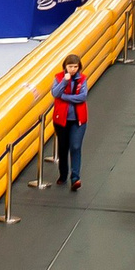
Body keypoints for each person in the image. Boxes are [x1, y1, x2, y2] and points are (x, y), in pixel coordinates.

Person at [50, 53, 91, 191]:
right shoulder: (58, 78)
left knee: (75, 146)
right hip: (61, 120)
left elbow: (83, 97)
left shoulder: (83, 79)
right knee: (63, 148)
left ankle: (75, 177)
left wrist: (65, 97)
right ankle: (63, 174)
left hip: (78, 120)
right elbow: (55, 93)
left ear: (79, 67)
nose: (73, 69)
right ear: (65, 67)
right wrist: (65, 82)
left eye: (75, 66)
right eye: (70, 66)